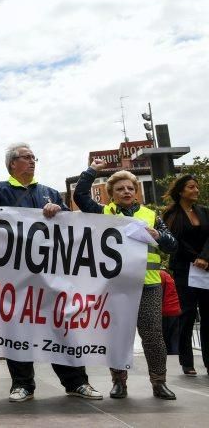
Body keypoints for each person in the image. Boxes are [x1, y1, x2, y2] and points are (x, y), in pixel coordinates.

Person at [0, 143, 102, 402]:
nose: (32, 161)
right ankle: (23, 385)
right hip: (13, 278)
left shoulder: (48, 193)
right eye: (25, 157)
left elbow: (68, 228)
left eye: (33, 157)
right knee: (17, 332)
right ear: (12, 164)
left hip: (50, 277)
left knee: (61, 328)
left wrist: (59, 212)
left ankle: (77, 382)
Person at [74, 159, 177, 399]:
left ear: (136, 191)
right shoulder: (104, 213)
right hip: (115, 286)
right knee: (117, 335)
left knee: (153, 336)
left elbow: (173, 246)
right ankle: (119, 382)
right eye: (120, 189)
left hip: (148, 284)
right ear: (111, 194)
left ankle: (159, 382)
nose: (126, 192)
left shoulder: (151, 215)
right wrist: (92, 171)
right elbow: (80, 196)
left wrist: (159, 235)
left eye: (130, 188)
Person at [162, 174, 209, 376]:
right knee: (187, 315)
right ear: (181, 191)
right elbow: (174, 243)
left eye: (197, 187)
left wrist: (205, 257)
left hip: (206, 269)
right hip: (184, 270)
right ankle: (186, 361)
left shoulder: (205, 212)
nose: (196, 190)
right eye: (191, 187)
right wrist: (195, 259)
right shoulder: (171, 214)